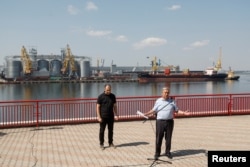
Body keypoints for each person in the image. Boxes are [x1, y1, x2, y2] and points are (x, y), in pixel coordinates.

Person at [144, 87, 190, 160]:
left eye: (168, 92)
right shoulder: (158, 101)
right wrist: (146, 114)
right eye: (165, 92)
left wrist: (184, 113)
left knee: (168, 138)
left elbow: (177, 111)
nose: (166, 94)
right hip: (160, 122)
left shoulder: (172, 101)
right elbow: (153, 110)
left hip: (169, 122)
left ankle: (168, 152)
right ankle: (157, 153)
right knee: (159, 138)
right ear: (162, 93)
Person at [96, 84, 119, 150]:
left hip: (111, 116)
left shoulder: (113, 96)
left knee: (111, 130)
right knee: (102, 131)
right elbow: (97, 107)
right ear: (104, 89)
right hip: (103, 117)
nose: (108, 91)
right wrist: (99, 117)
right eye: (107, 90)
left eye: (109, 90)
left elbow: (115, 106)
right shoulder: (100, 97)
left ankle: (110, 143)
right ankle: (101, 144)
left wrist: (116, 114)